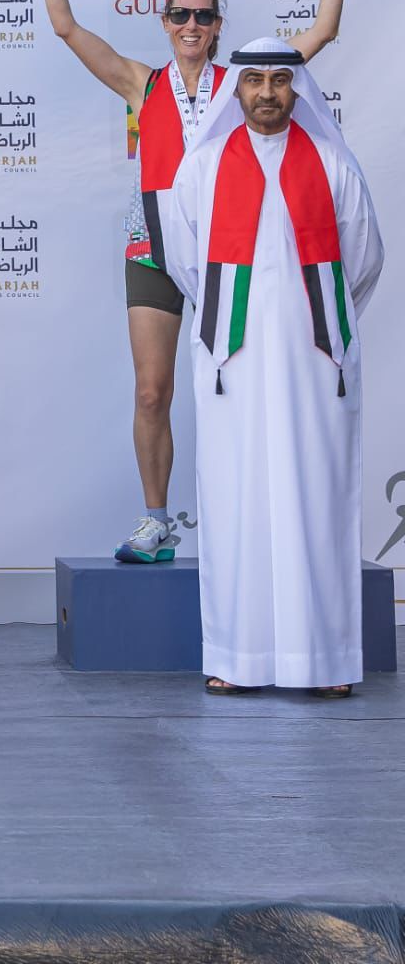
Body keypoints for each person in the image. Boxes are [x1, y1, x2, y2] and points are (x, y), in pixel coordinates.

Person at [22, 0, 359, 564]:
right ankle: (157, 523)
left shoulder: (245, 82)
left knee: (244, 384)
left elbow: (322, 30)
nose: (193, 25)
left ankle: (251, 516)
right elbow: (65, 27)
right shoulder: (140, 84)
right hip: (152, 249)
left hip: (229, 252)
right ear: (166, 22)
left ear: (218, 25)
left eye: (205, 15)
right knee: (153, 390)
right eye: (182, 14)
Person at [164, 39, 382, 697]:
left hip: (315, 361)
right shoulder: (201, 169)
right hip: (231, 359)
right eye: (253, 80)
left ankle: (325, 660)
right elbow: (185, 262)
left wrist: (306, 318)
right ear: (237, 90)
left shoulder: (334, 165)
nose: (266, 92)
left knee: (315, 497)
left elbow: (363, 262)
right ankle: (238, 656)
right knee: (236, 498)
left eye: (279, 82)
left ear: (297, 91)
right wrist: (245, 317)